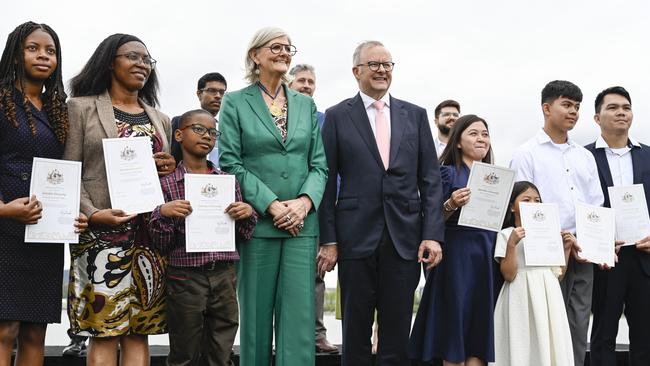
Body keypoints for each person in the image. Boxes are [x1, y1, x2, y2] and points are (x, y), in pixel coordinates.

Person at [319, 40, 444, 366]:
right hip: (355, 238)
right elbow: (327, 181)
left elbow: (430, 180)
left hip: (404, 238)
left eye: (387, 64)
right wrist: (329, 239)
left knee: (397, 332)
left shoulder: (415, 115)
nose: (382, 70)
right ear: (356, 71)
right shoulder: (336, 116)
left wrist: (432, 233)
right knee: (356, 333)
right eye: (374, 64)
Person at [63, 33, 175, 366]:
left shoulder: (161, 118)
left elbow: (163, 177)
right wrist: (93, 213)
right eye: (133, 57)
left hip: (149, 239)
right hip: (101, 236)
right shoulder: (81, 108)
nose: (142, 65)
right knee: (105, 331)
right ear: (110, 61)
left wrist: (168, 167)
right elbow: (70, 170)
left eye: (147, 60)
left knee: (139, 331)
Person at [218, 27, 328, 366]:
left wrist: (304, 203)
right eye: (276, 47)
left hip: (301, 227)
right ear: (256, 55)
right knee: (254, 322)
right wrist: (271, 204)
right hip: (259, 225)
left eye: (288, 48)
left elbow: (319, 165)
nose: (284, 53)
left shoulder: (306, 104)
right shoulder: (235, 102)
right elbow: (230, 163)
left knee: (298, 323)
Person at [0, 21, 87, 366]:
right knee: (5, 328)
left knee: (36, 329)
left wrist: (76, 212)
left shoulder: (59, 109)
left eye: (50, 51)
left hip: (46, 231)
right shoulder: (1, 100)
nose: (43, 56)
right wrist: (5, 210)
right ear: (15, 54)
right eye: (33, 48)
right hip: (5, 230)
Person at [149, 109, 257, 366]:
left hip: (224, 275)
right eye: (198, 129)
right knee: (184, 353)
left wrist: (247, 213)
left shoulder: (226, 182)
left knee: (221, 352)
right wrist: (163, 213)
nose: (207, 136)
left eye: (212, 132)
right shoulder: (166, 184)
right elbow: (160, 243)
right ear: (179, 134)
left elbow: (243, 234)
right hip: (184, 277)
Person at [509, 80, 604, 366]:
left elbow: (595, 204)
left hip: (582, 250)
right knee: (548, 324)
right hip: (543, 253)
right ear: (547, 108)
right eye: (567, 105)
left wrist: (585, 242)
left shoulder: (584, 156)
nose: (573, 111)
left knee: (577, 325)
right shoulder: (526, 153)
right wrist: (554, 242)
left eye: (577, 106)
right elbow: (520, 204)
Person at [410, 114, 497, 366]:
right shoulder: (447, 173)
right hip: (456, 258)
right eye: (473, 133)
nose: (481, 138)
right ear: (457, 142)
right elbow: (431, 216)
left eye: (485, 134)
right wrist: (451, 203)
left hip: (485, 258)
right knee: (454, 330)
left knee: (478, 333)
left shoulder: (495, 176)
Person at [586, 86, 650, 366]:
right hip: (605, 258)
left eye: (626, 107)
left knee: (645, 335)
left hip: (645, 256)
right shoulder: (583, 156)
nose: (621, 112)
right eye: (612, 107)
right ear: (597, 117)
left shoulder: (648, 155)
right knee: (603, 333)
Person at [492, 181, 574, 366]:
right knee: (522, 341)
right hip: (520, 294)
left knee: (548, 340)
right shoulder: (507, 234)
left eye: (537, 200)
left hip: (548, 293)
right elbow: (509, 274)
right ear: (512, 206)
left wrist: (566, 250)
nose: (533, 204)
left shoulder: (549, 233)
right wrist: (512, 244)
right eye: (526, 199)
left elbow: (558, 274)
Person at [287, 63, 337, 354]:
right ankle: (282, 335)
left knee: (316, 274)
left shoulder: (325, 120)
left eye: (310, 82)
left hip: (315, 206)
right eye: (301, 81)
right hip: (279, 207)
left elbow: (332, 168)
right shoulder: (277, 115)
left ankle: (317, 334)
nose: (306, 85)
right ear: (289, 84)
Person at [170, 72, 227, 164]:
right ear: (199, 94)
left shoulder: (229, 128)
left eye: (222, 92)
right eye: (212, 90)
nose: (218, 96)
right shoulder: (181, 122)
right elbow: (174, 155)